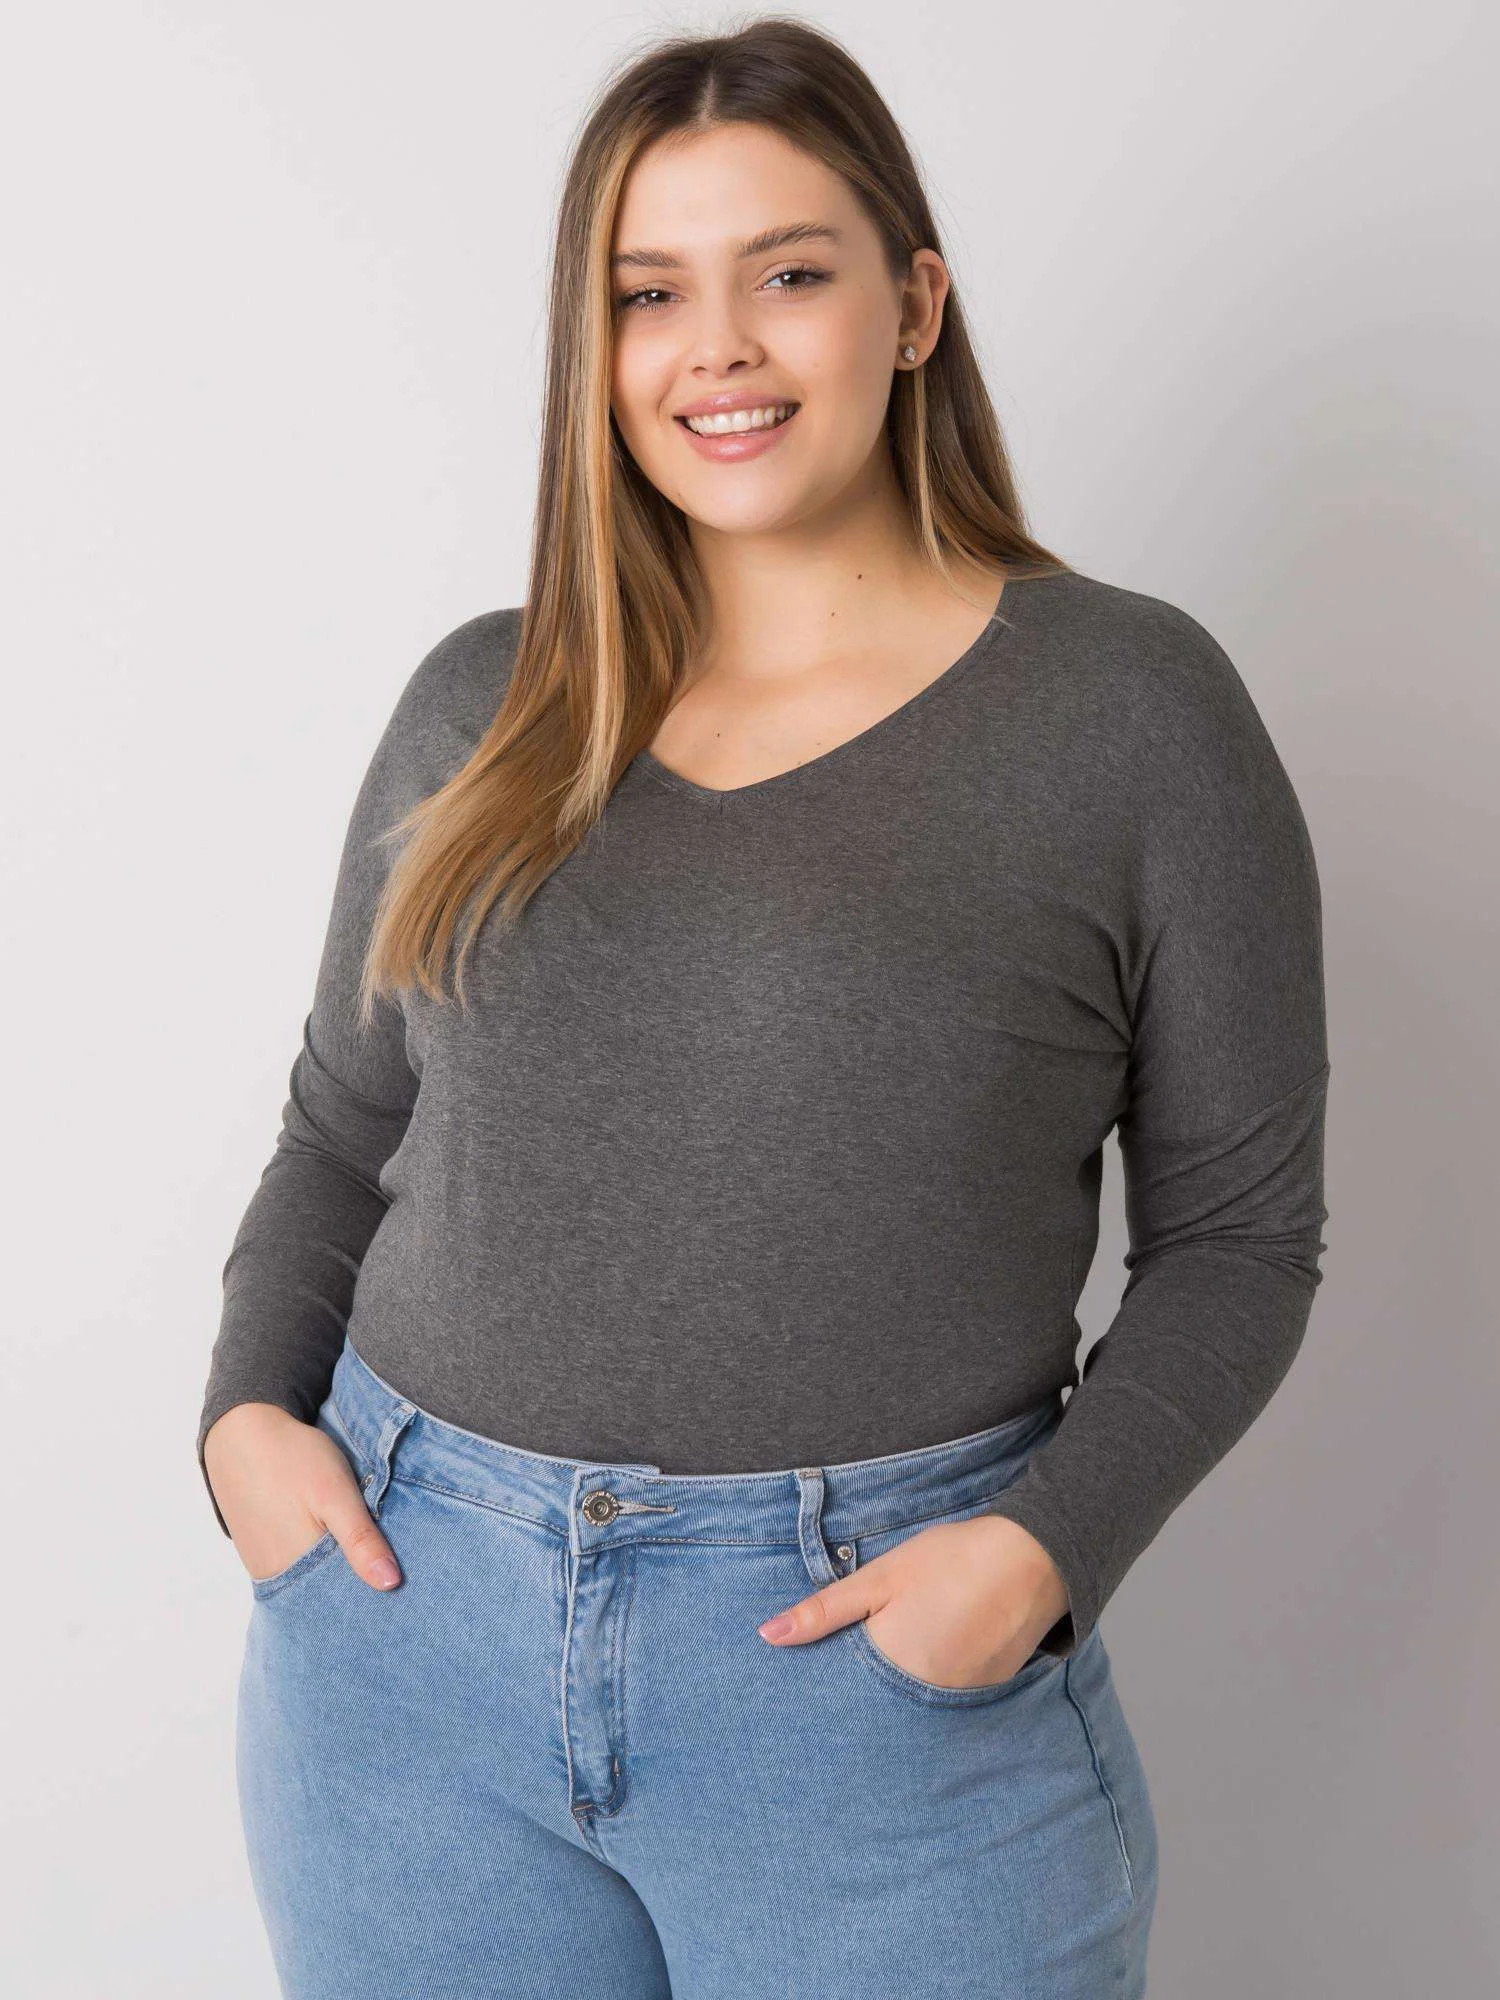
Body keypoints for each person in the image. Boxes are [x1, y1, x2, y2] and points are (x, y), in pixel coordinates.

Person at [197, 19, 1330, 1999]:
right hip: (402, 1652)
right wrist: (242, 1428)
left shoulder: (1130, 714)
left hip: (870, 1702)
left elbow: (1238, 1238)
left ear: (915, 308)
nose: (714, 348)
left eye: (787, 272)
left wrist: (1037, 1557)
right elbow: (340, 1129)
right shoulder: (485, 704)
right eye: (649, 294)